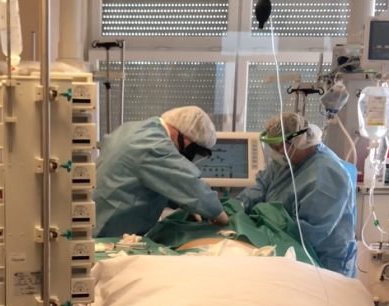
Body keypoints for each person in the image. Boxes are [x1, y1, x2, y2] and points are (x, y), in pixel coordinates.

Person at [238, 112, 357, 277]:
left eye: (279, 147)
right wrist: (239, 206)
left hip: (317, 262)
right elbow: (262, 186)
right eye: (273, 148)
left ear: (299, 141)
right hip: (283, 250)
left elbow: (307, 235)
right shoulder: (286, 161)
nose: (277, 153)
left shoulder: (325, 175)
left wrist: (263, 220)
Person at [92, 106, 229, 238]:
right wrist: (219, 214)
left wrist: (188, 204)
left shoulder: (135, 129)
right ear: (185, 137)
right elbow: (188, 184)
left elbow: (158, 181)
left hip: (99, 214)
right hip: (107, 228)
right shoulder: (154, 145)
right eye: (194, 150)